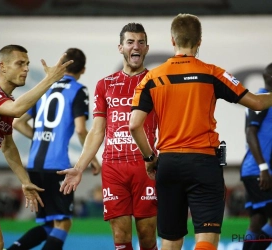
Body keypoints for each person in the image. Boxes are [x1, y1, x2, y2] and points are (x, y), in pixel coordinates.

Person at [129, 13, 272, 250]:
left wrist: (150, 158)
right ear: (199, 41)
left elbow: (134, 124)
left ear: (172, 41)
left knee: (170, 240)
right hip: (203, 163)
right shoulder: (212, 73)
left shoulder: (152, 78)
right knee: (206, 237)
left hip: (169, 163)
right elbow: (256, 103)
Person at [58, 23, 158, 250]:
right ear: (120, 47)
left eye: (141, 42)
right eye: (130, 42)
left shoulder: (156, 82)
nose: (136, 46)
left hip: (146, 166)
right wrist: (80, 167)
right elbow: (97, 130)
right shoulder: (105, 84)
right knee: (121, 238)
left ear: (147, 48)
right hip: (113, 168)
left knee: (147, 237)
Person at [0, 44, 73, 250]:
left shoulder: (6, 102)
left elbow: (8, 147)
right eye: (20, 63)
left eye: (27, 64)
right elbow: (17, 110)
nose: (26, 68)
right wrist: (49, 80)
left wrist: (25, 181)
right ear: (2, 66)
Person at [6, 48, 101, 250]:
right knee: (64, 222)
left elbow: (18, 123)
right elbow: (81, 129)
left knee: (50, 224)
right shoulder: (78, 90)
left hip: (34, 165)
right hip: (56, 166)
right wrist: (91, 157)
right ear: (82, 69)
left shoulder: (45, 88)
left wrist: (40, 137)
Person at [240, 63, 272, 250]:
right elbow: (251, 132)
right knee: (259, 220)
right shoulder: (260, 100)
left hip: (259, 169)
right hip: (257, 169)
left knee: (258, 219)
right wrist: (263, 167)